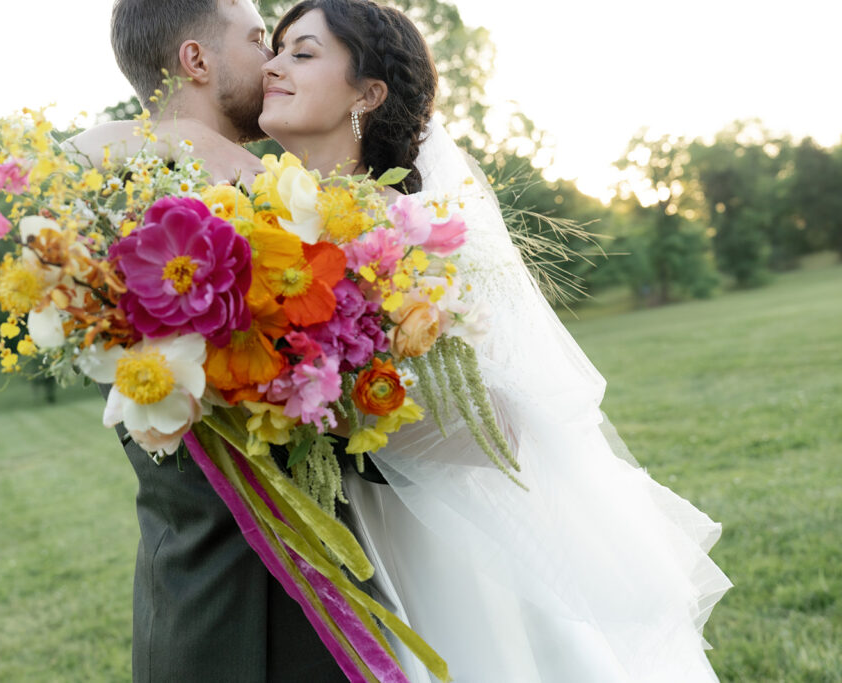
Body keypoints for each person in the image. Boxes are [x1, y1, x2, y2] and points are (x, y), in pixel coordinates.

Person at [255, 1, 732, 681]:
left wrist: (331, 411)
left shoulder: (413, 234)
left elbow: (503, 421)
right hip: (332, 538)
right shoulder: (259, 223)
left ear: (367, 93)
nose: (272, 66)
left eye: (301, 53)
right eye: (275, 50)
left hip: (436, 539)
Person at [64, 1, 350, 681]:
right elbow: (66, 163)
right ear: (196, 60)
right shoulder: (120, 193)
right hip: (209, 607)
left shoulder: (271, 187)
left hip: (316, 591)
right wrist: (192, 142)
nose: (274, 61)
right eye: (257, 41)